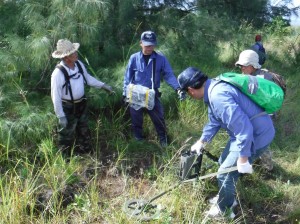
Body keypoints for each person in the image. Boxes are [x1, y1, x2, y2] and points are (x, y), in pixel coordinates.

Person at [177, 67, 275, 219]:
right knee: (223, 163)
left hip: (257, 135)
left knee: (225, 174)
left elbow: (244, 129)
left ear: (190, 90)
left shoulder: (217, 96)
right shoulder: (213, 88)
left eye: (187, 94)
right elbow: (214, 121)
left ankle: (225, 211)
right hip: (245, 133)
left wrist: (243, 158)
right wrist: (202, 141)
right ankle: (227, 197)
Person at [51, 39, 114, 154]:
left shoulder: (78, 64)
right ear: (66, 57)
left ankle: (85, 153)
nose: (76, 54)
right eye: (73, 53)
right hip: (67, 107)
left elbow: (88, 79)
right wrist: (61, 116)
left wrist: (103, 86)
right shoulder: (58, 73)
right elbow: (55, 97)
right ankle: (65, 159)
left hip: (81, 104)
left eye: (75, 52)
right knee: (66, 135)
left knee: (84, 130)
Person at [123, 31, 184, 147]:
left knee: (159, 119)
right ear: (141, 43)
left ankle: (163, 140)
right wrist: (124, 94)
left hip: (152, 94)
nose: (149, 47)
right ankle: (138, 140)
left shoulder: (160, 59)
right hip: (136, 94)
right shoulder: (134, 58)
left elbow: (169, 75)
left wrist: (178, 88)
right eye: (147, 45)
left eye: (152, 45)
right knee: (136, 119)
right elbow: (127, 77)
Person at [235, 49, 286, 170]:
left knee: (262, 141)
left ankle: (268, 169)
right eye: (240, 66)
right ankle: (254, 161)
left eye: (244, 66)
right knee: (253, 139)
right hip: (257, 115)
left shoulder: (262, 79)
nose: (241, 68)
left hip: (265, 115)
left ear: (252, 66)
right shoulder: (253, 75)